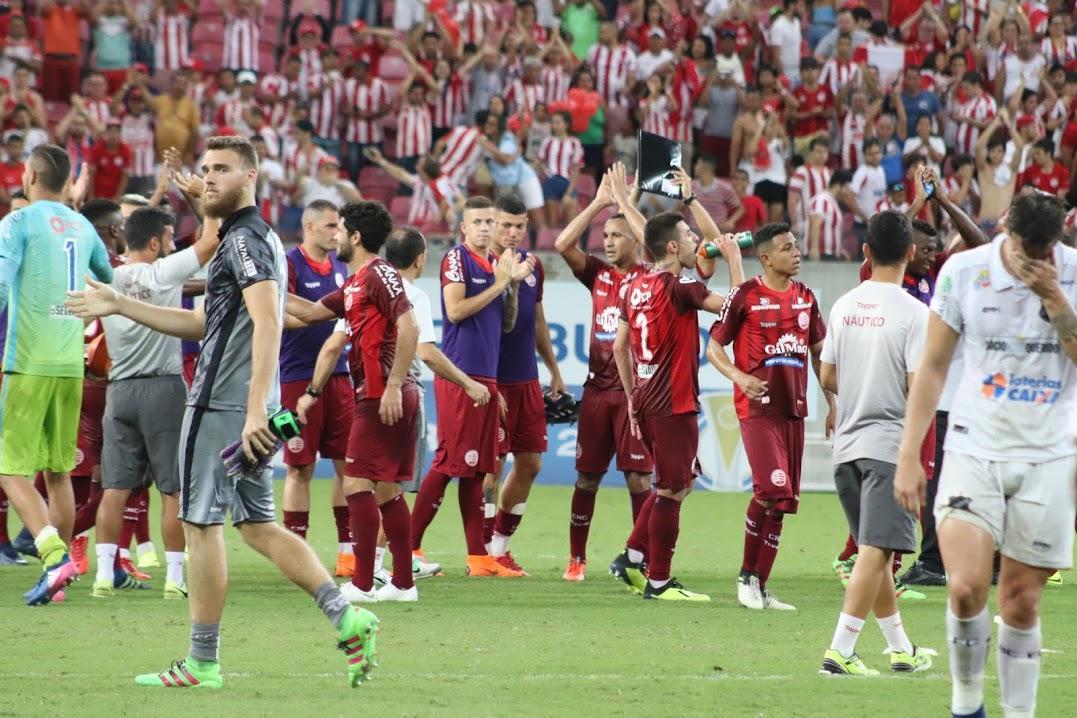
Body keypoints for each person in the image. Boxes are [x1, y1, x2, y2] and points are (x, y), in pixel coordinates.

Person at [65, 136, 378, 688]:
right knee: (257, 526)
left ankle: (203, 662)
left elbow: (269, 322)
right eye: (206, 168)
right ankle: (345, 615)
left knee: (200, 524)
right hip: (246, 407)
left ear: (251, 176)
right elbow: (206, 324)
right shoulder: (253, 238)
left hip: (222, 408)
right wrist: (120, 304)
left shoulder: (245, 241)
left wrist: (254, 410)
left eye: (222, 169)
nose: (208, 177)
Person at [894, 192, 1077, 718]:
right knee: (967, 587)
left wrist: (1055, 299)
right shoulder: (964, 272)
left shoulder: (1070, 275)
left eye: (1045, 250)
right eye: (1025, 249)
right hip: (975, 446)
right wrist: (909, 453)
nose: (1035, 259)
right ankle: (966, 705)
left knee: (1020, 600)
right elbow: (932, 365)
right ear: (1005, 231)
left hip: (1049, 455)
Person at [818, 210, 936, 676]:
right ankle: (840, 651)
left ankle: (900, 648)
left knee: (876, 549)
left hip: (846, 446)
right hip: (888, 447)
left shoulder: (844, 305)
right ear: (910, 251)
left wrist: (863, 384)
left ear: (865, 251)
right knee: (875, 550)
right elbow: (916, 386)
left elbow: (827, 375)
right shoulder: (915, 313)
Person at [286, 201, 421, 604]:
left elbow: (410, 327)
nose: (336, 236)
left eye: (341, 229)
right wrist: (262, 290)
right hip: (382, 393)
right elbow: (311, 313)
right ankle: (403, 584)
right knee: (386, 490)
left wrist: (393, 385)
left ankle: (362, 584)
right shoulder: (356, 282)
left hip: (383, 395)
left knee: (357, 483)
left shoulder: (380, 274)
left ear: (356, 237)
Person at [607, 213, 743, 601]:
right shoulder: (681, 287)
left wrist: (632, 398)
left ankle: (632, 557)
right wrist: (734, 260)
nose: (695, 239)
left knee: (681, 483)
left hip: (648, 399)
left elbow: (619, 347)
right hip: (673, 402)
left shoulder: (633, 286)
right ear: (672, 246)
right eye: (687, 235)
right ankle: (659, 581)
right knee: (672, 489)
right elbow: (735, 309)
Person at [0, 144, 114, 606]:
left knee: (8, 468)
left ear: (29, 176)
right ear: (67, 182)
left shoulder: (17, 222)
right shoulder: (83, 225)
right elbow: (107, 278)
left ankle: (52, 557)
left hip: (28, 361)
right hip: (70, 363)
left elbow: (1, 285)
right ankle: (59, 577)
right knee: (59, 472)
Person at [91, 206, 219, 600]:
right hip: (163, 388)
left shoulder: (109, 277)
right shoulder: (163, 272)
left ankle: (103, 576)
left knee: (114, 488)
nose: (171, 245)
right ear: (153, 242)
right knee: (172, 490)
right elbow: (211, 241)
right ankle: (174, 578)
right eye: (168, 238)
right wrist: (203, 203)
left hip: (119, 390)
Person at [707, 222, 835, 611]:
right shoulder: (745, 295)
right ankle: (746, 576)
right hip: (758, 409)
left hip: (793, 410)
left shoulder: (806, 297)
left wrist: (832, 403)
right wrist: (739, 377)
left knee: (783, 502)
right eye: (787, 248)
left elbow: (819, 354)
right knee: (771, 490)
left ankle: (761, 587)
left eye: (796, 246)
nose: (796, 253)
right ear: (765, 257)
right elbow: (714, 347)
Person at [409, 196, 533, 576]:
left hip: (486, 377)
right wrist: (500, 284)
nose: (484, 228)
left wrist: (511, 286)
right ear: (464, 227)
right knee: (448, 463)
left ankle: (478, 558)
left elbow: (506, 324)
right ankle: (409, 547)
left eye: (488, 222)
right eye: (477, 221)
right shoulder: (456, 259)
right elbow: (456, 310)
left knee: (477, 471)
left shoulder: (496, 264)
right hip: (460, 375)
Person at [483, 195, 567, 574]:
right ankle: (482, 551)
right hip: (493, 380)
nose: (513, 232)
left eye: (519, 226)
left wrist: (554, 370)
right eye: (506, 225)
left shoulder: (533, 267)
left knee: (531, 463)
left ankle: (500, 547)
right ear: (492, 224)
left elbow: (537, 322)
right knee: (491, 469)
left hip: (527, 380)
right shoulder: (481, 266)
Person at [276, 200, 356, 579]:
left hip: (339, 376)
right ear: (309, 227)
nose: (336, 233)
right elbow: (279, 315)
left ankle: (347, 552)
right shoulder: (289, 264)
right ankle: (296, 554)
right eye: (329, 226)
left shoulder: (341, 265)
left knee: (347, 465)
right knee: (300, 468)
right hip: (296, 380)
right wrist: (322, 315)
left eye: (338, 226)